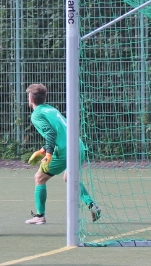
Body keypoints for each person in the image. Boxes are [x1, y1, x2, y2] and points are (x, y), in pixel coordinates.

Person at [24, 83, 101, 225]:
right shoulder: (51, 109)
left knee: (39, 178)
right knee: (70, 178)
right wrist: (43, 149)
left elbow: (50, 133)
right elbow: (60, 132)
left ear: (31, 98)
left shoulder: (36, 115)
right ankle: (92, 205)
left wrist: (48, 154)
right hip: (78, 146)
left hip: (65, 150)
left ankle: (40, 216)